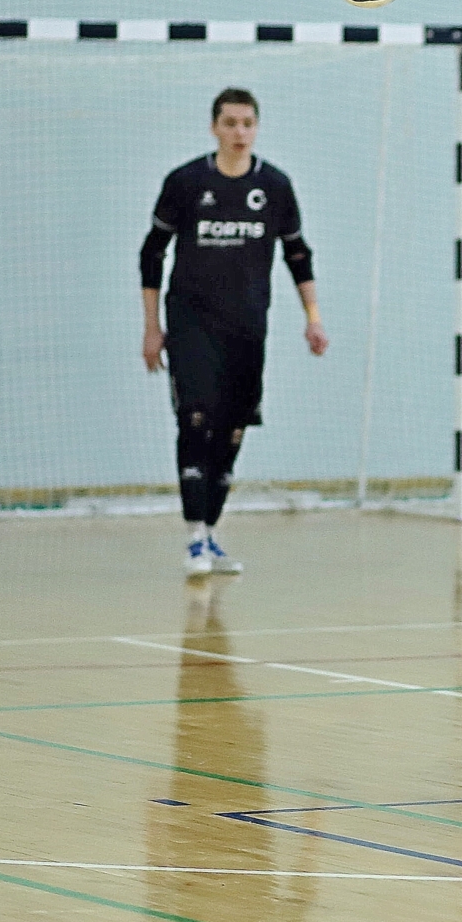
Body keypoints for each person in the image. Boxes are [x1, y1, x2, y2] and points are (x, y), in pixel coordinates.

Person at [139, 88, 328, 575]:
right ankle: (193, 537)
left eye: (248, 123)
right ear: (214, 128)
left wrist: (313, 318)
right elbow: (152, 253)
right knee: (195, 419)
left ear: (256, 128)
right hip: (190, 325)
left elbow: (298, 255)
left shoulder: (275, 186)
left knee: (232, 429)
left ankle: (211, 533)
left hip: (246, 329)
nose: (239, 132)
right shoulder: (186, 182)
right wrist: (152, 327)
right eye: (230, 123)